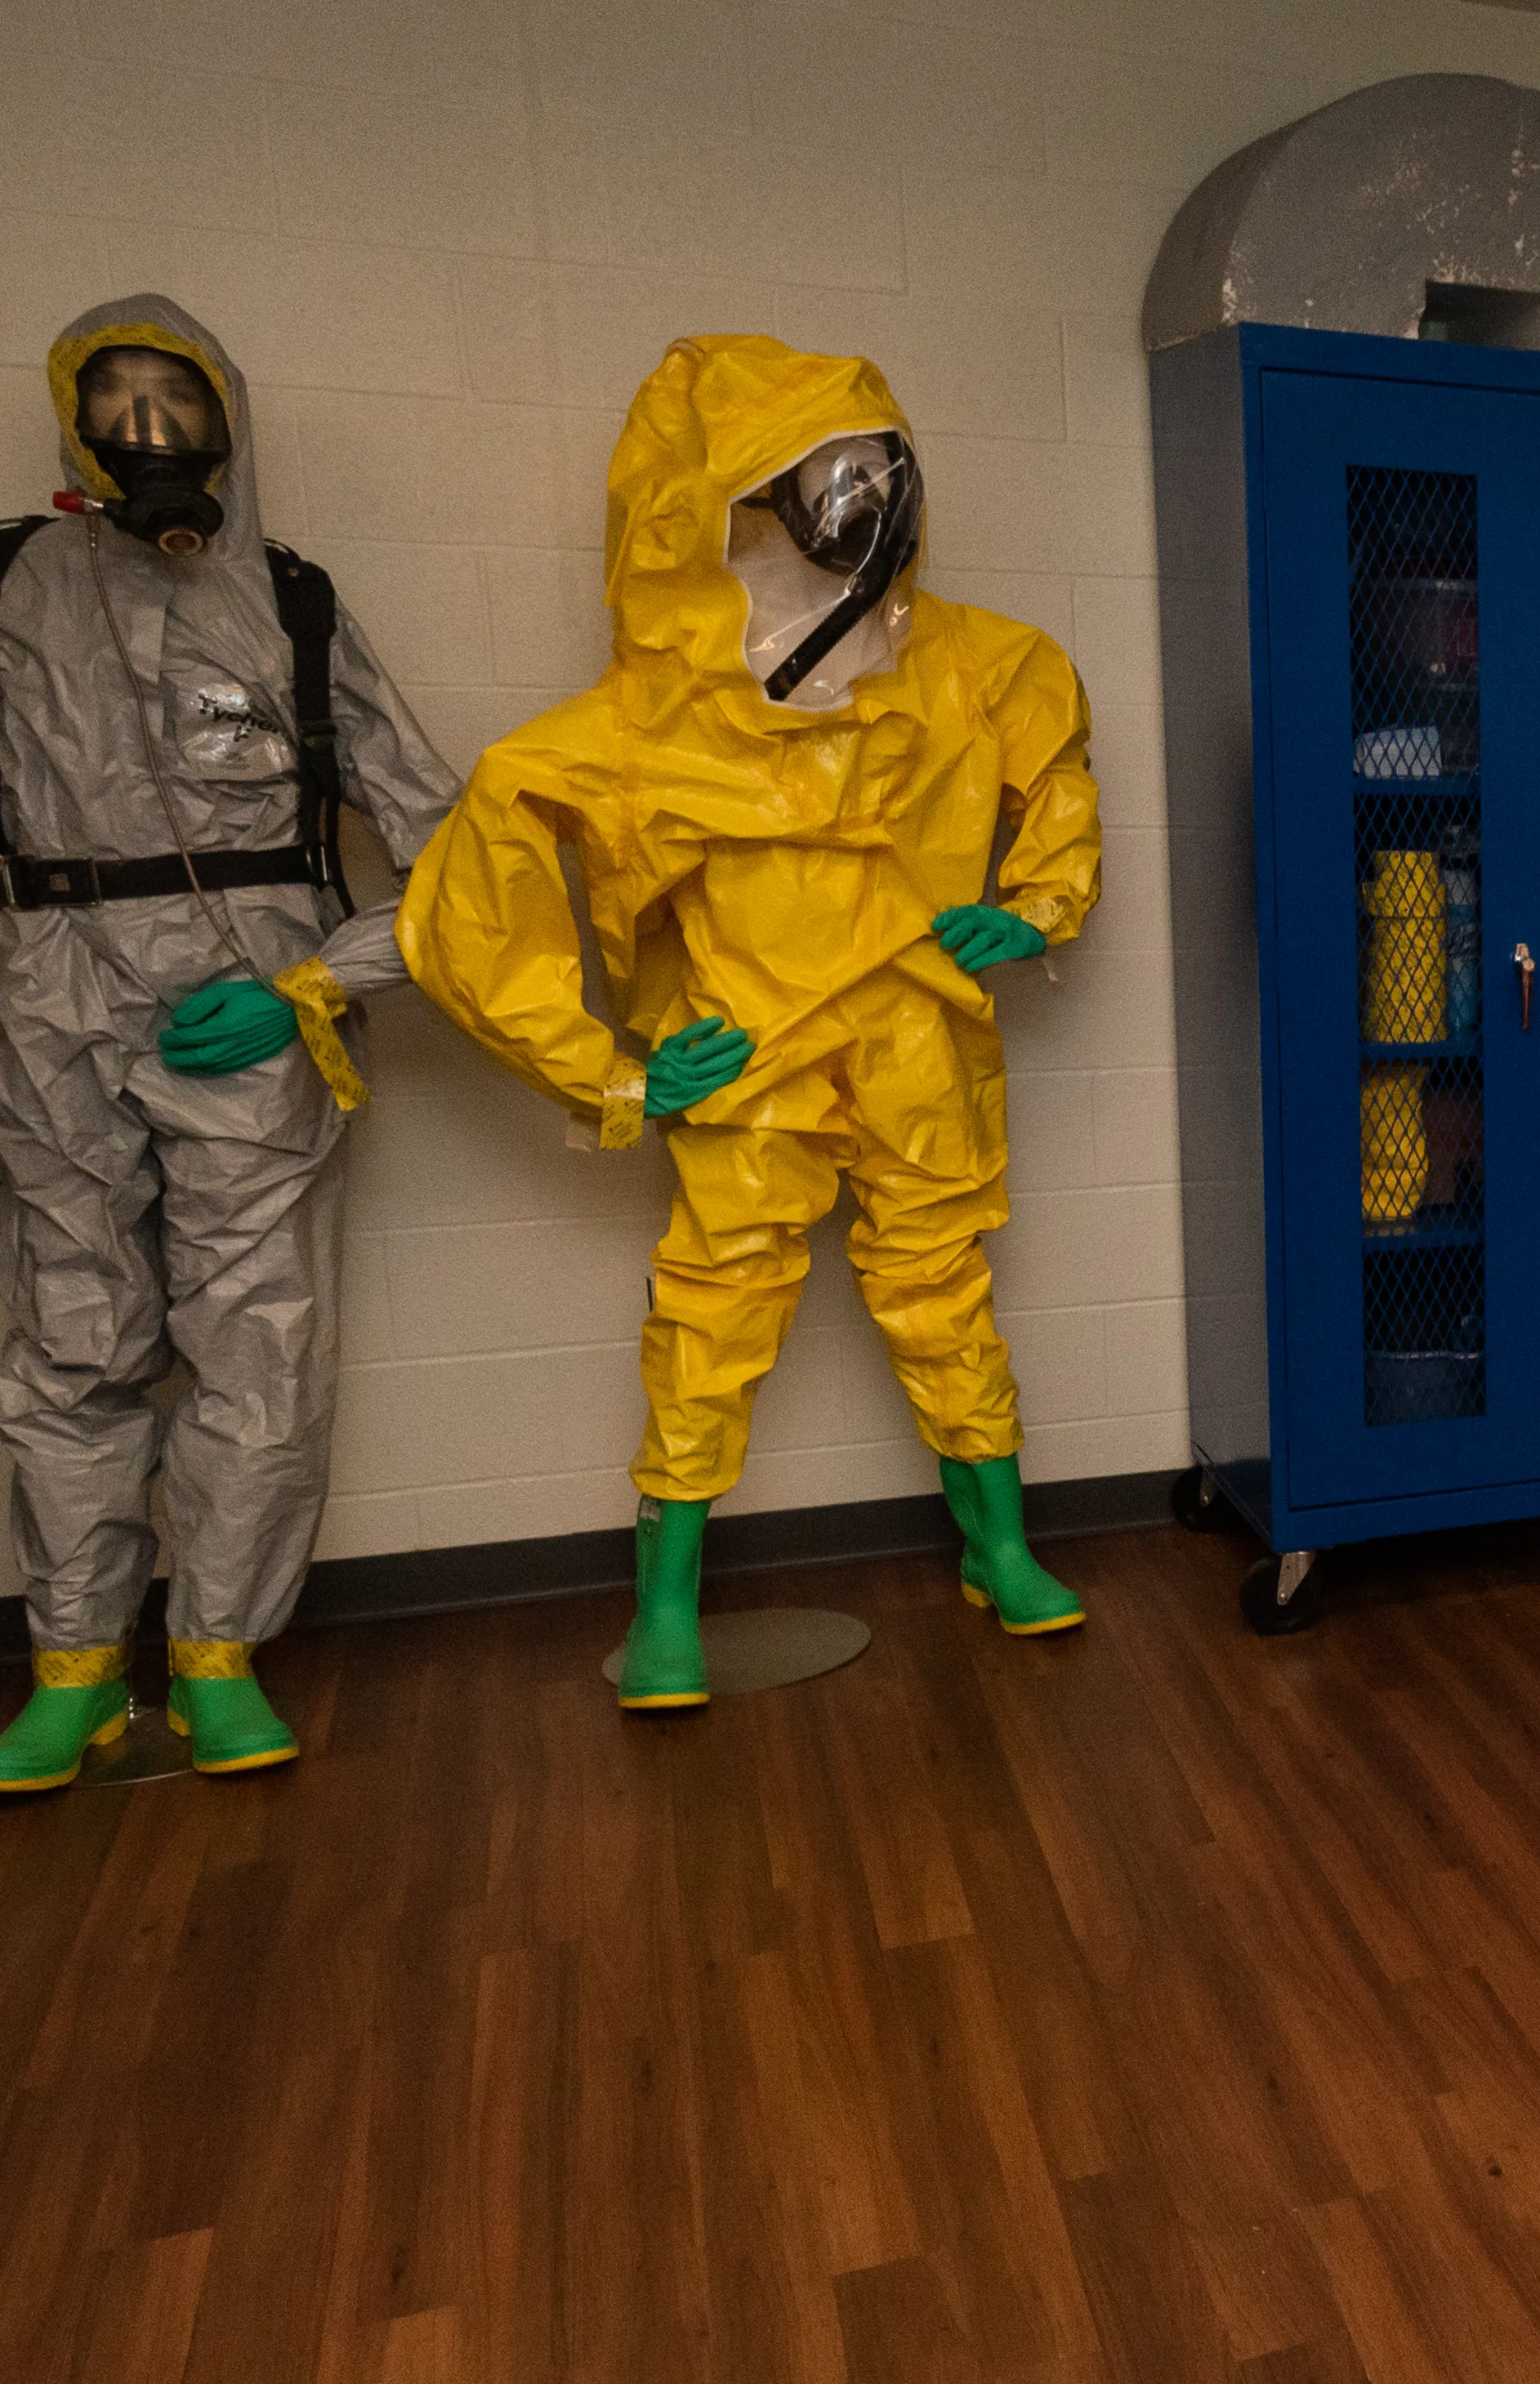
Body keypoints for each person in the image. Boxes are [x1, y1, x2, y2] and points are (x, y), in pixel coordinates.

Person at [398, 336, 1100, 1710]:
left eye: (871, 463)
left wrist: (1038, 900)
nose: (865, 495)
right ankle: (665, 1610)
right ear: (720, 499)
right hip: (750, 1051)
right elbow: (474, 889)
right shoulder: (651, 717)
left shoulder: (976, 662)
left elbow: (1054, 769)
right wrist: (613, 1070)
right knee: (711, 1314)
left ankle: (1000, 1547)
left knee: (945, 1291)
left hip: (916, 1033)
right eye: (825, 472)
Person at [0, 296, 456, 1790]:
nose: (150, 437)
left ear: (229, 417)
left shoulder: (294, 606)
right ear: (72, 424)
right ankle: (75, 1670)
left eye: (177, 405)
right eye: (116, 404)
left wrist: (324, 982)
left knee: (260, 1343)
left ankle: (220, 1655)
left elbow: (460, 857)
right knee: (70, 1339)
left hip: (247, 1014)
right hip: (42, 1013)